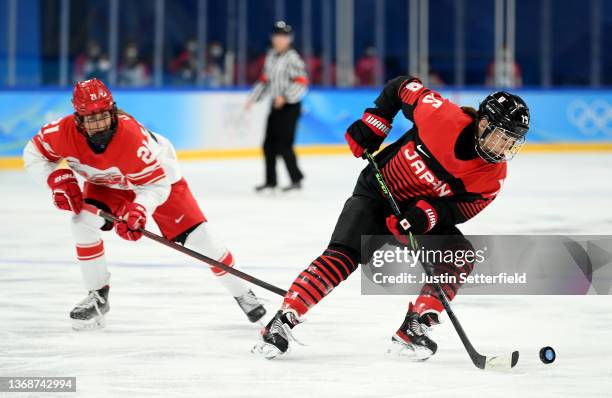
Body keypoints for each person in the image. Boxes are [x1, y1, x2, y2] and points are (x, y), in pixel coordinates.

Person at [252, 76, 530, 359]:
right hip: (377, 192)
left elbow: (465, 208)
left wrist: (428, 215)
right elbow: (401, 86)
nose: (505, 147)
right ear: (483, 124)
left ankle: (416, 324)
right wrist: (375, 124)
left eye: (512, 141)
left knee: (460, 256)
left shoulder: (493, 176)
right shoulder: (440, 116)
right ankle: (283, 319)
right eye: (502, 137)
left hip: (414, 215)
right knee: (343, 254)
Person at [23, 79, 266, 330]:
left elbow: (157, 186)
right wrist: (55, 178)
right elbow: (33, 153)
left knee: (201, 240)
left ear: (113, 110)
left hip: (158, 182)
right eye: (91, 117)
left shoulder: (132, 139)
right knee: (82, 222)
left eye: (104, 115)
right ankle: (97, 296)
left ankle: (243, 293)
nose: (99, 123)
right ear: (77, 118)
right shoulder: (59, 133)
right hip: (108, 183)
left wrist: (140, 208)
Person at [245, 21, 309, 192]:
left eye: (284, 36)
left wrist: (286, 97)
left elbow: (302, 83)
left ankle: (296, 179)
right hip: (275, 106)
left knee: (284, 144)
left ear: (289, 39)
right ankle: (270, 181)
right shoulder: (271, 56)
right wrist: (253, 98)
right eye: (277, 36)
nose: (280, 40)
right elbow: (265, 81)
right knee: (268, 144)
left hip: (290, 107)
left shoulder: (293, 58)